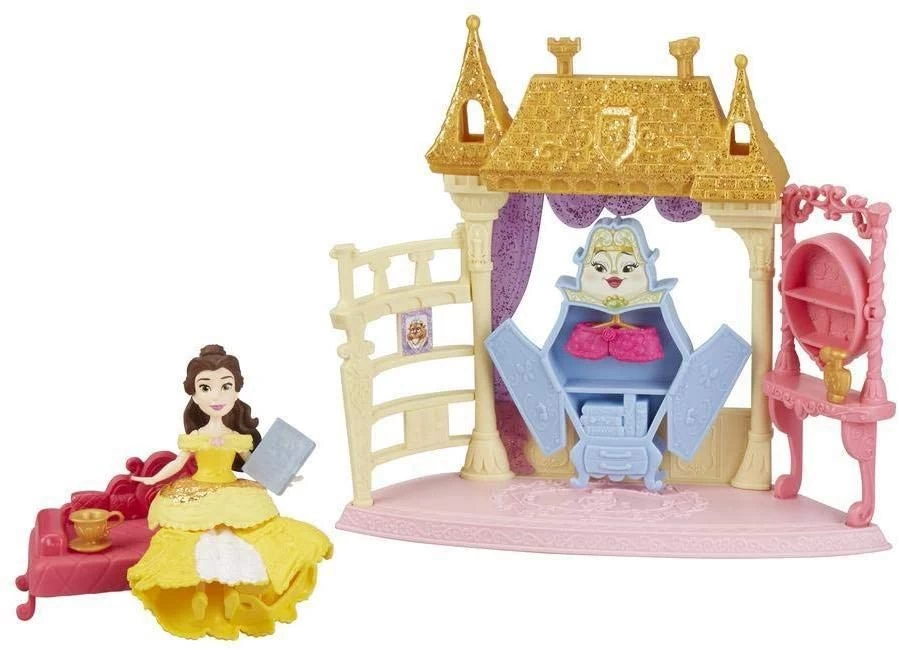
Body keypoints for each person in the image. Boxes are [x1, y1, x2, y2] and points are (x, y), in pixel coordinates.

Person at [127, 344, 332, 639]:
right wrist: (151, 480)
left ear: (236, 391)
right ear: (194, 395)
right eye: (206, 388)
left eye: (226, 386)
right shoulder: (195, 437)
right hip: (198, 491)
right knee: (198, 539)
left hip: (232, 490)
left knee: (237, 537)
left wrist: (282, 477)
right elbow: (177, 464)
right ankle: (200, 589)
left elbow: (255, 466)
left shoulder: (238, 438)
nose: (217, 396)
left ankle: (231, 590)